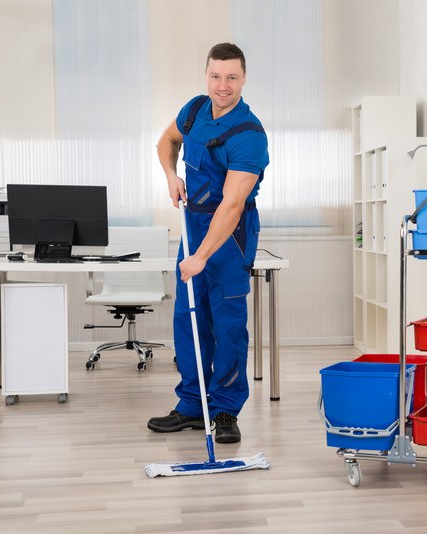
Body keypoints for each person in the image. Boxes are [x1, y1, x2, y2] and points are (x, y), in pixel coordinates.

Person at [148, 43, 269, 444]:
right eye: (216, 76)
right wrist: (171, 176)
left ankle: (224, 410)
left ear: (244, 78)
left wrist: (201, 256)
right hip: (193, 224)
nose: (223, 85)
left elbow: (233, 204)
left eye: (231, 77)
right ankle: (191, 406)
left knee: (227, 321)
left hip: (229, 235)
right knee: (189, 317)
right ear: (206, 75)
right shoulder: (196, 110)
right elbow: (167, 142)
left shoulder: (249, 135)